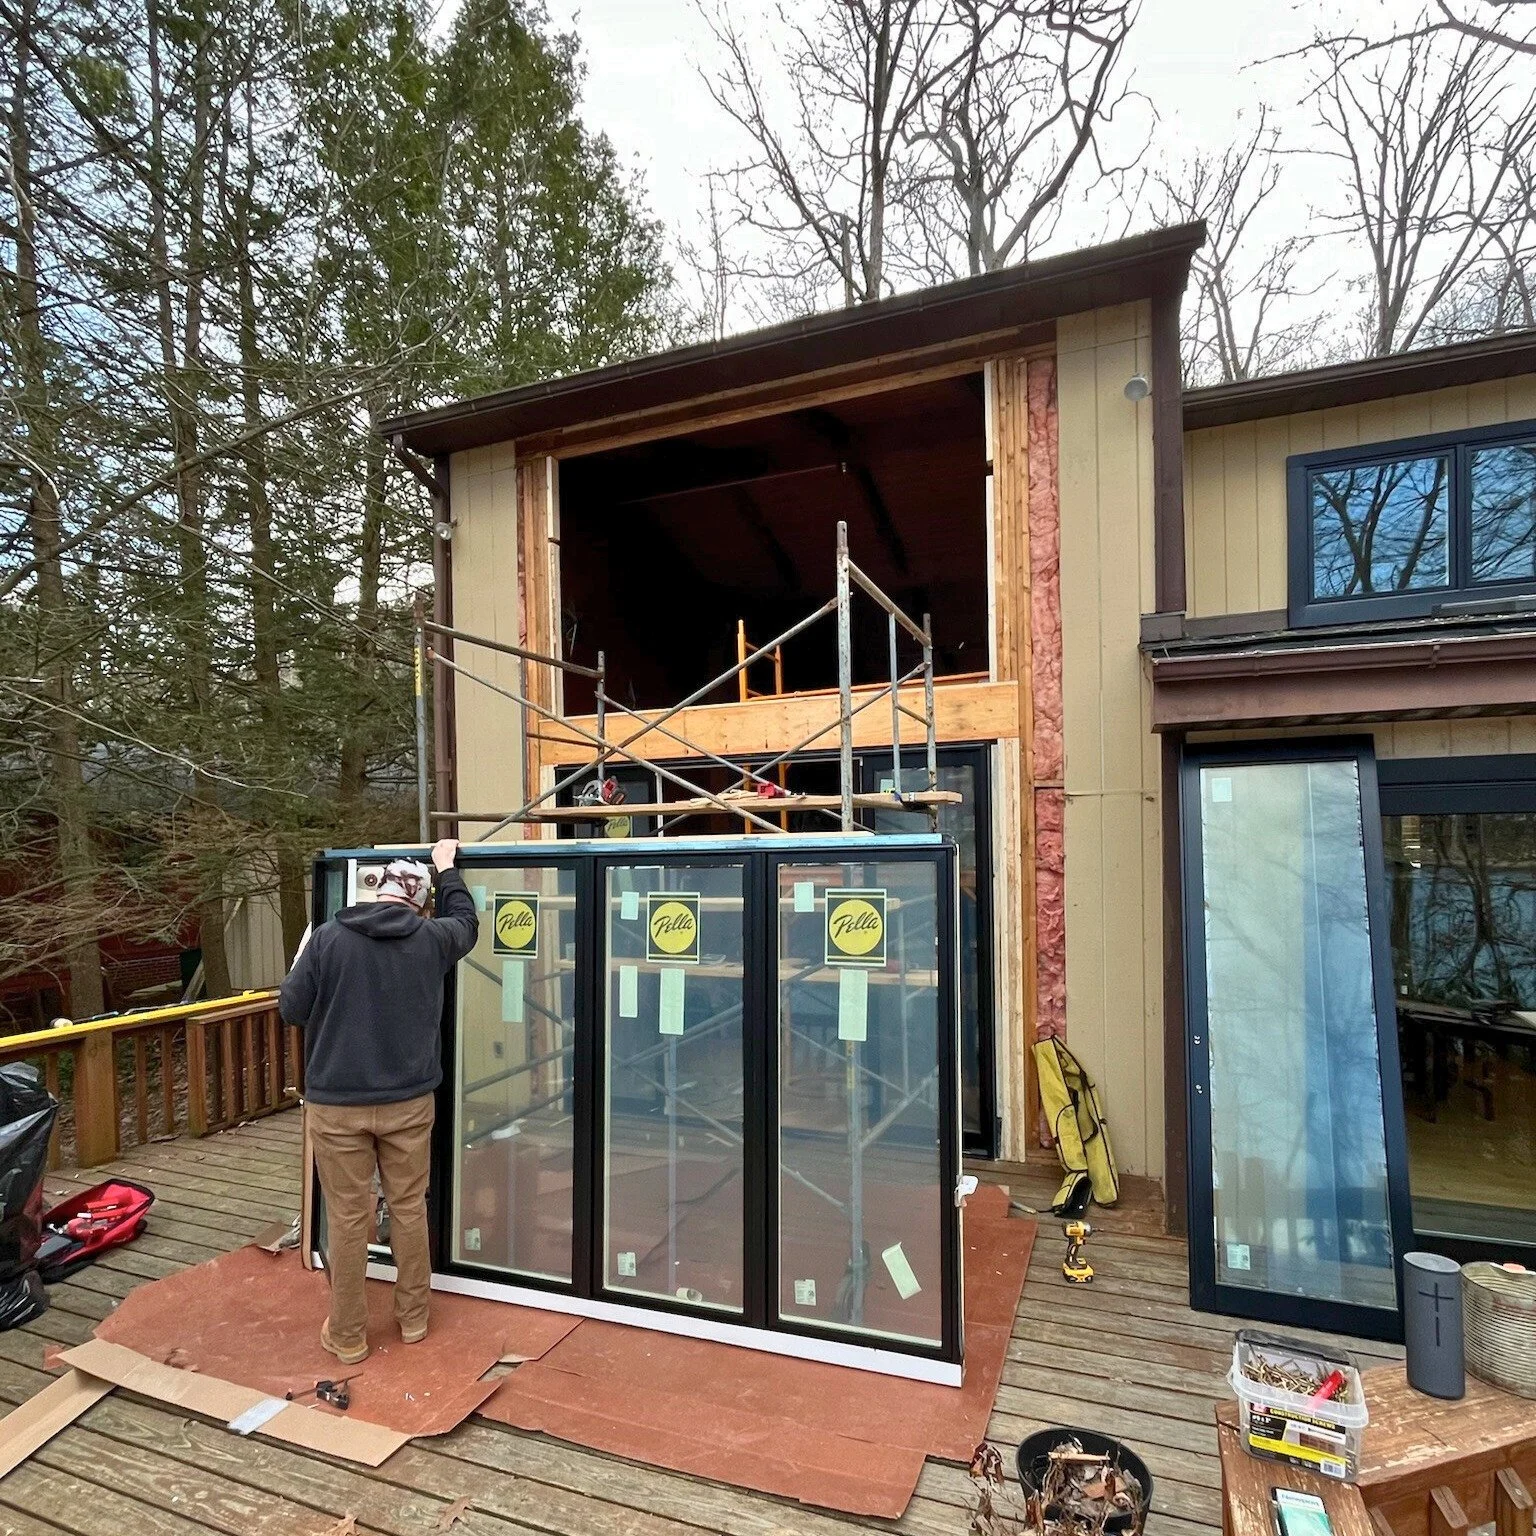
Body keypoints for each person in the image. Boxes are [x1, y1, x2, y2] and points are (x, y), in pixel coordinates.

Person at [279, 839, 478, 1364]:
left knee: (348, 1219)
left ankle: (348, 1337)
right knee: (409, 1208)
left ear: (378, 892)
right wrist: (448, 870)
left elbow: (292, 1009)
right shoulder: (433, 939)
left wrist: (305, 963)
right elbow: (467, 922)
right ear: (420, 903)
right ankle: (413, 1320)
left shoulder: (328, 939)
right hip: (408, 1104)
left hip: (337, 1105)